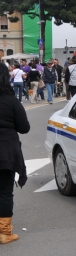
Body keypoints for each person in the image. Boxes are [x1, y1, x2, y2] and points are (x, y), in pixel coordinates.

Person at [0, 62, 30, 244]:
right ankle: (4, 232)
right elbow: (24, 128)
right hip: (6, 152)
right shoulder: (11, 101)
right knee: (4, 192)